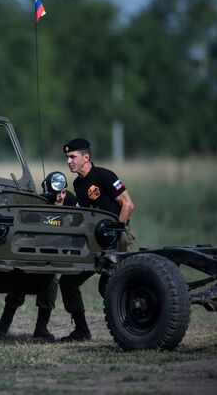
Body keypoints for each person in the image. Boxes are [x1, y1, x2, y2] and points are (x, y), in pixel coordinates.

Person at [60, 137, 137, 342]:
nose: (69, 161)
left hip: (113, 242)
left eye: (73, 157)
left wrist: (114, 231)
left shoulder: (104, 175)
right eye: (67, 157)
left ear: (86, 157)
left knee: (110, 287)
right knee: (68, 282)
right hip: (91, 245)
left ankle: (136, 325)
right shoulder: (77, 184)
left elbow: (128, 205)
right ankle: (82, 331)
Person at [0, 171, 76, 342]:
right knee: (19, 287)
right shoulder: (36, 204)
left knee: (51, 284)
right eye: (56, 193)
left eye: (63, 193)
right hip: (32, 252)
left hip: (54, 253)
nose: (60, 197)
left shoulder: (70, 201)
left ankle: (41, 328)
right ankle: (2, 326)